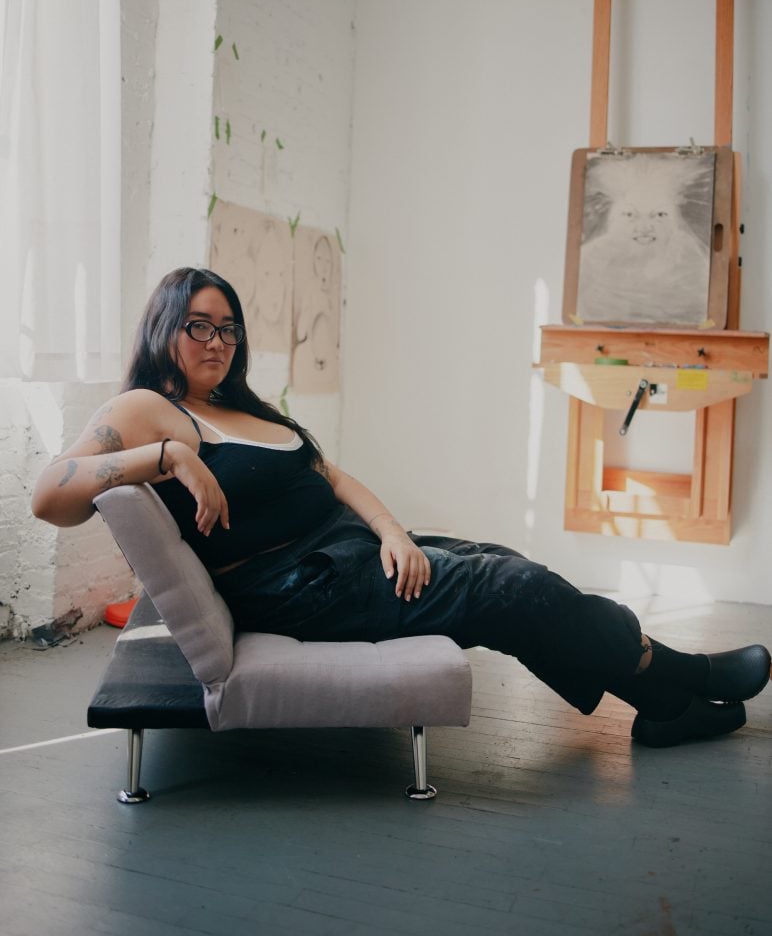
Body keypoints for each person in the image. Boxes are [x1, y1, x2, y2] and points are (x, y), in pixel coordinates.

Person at [31, 267, 770, 749]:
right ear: (165, 328)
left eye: (228, 327)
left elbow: (334, 475)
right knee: (512, 592)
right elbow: (49, 496)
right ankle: (678, 679)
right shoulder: (147, 409)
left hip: (348, 554)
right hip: (301, 589)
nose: (217, 340)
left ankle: (659, 696)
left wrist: (391, 531)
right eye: (199, 324)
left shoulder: (239, 406)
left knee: (507, 567)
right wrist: (165, 457)